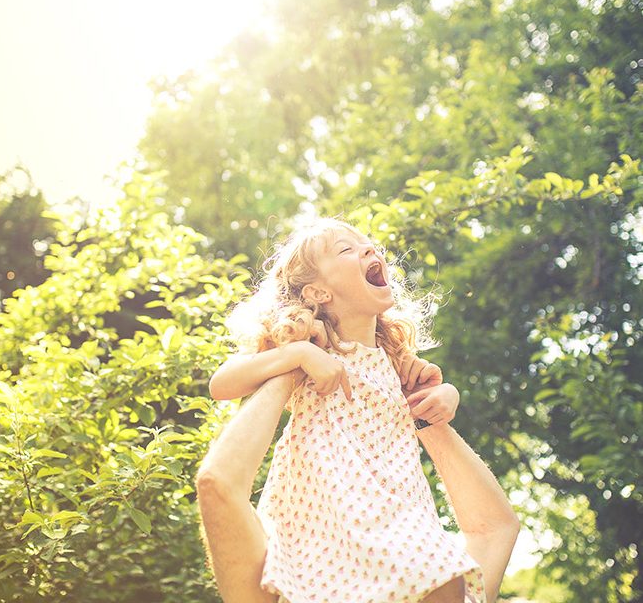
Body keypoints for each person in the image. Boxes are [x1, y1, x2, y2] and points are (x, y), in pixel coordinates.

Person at [197, 217, 519, 603]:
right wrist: (298, 353)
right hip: (329, 514)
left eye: (368, 244)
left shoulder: (395, 363)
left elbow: (495, 524)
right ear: (319, 293)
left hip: (394, 509)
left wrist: (444, 397)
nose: (369, 249)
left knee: (435, 569)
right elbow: (222, 384)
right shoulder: (314, 349)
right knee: (430, 570)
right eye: (346, 249)